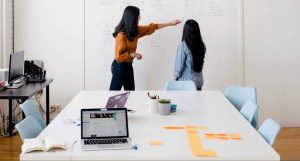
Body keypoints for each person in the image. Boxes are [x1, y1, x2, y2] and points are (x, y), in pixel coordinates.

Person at [109, 6, 181, 91]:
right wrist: (133, 54)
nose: (140, 17)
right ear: (132, 17)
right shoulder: (121, 36)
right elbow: (118, 57)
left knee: (131, 93)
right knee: (113, 94)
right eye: (138, 15)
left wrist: (170, 23)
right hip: (119, 67)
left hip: (128, 66)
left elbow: (152, 27)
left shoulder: (135, 30)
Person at [173, 19, 206, 90]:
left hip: (186, 85)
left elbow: (178, 68)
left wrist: (173, 82)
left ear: (185, 31)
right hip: (198, 83)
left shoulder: (183, 46)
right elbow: (201, 64)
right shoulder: (202, 45)